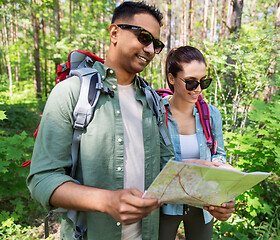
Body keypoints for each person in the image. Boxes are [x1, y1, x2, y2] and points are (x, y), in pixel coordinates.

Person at [26, 2, 174, 239]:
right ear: (114, 32)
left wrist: (210, 191)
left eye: (156, 44)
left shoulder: (153, 101)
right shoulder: (72, 92)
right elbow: (42, 178)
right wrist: (107, 201)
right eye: (144, 37)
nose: (149, 49)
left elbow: (168, 168)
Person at [158, 46, 235, 240]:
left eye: (204, 82)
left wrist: (224, 181)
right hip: (165, 205)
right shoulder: (156, 112)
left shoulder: (211, 114)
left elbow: (218, 154)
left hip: (203, 204)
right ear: (171, 78)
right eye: (191, 83)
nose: (198, 89)